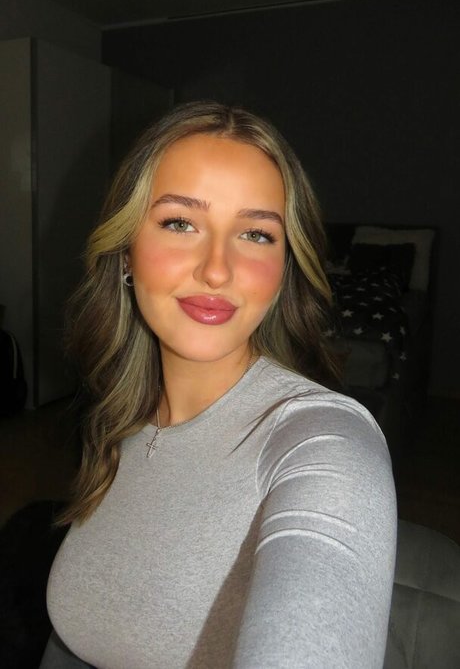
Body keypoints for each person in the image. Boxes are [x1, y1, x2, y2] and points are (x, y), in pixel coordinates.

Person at [41, 101, 396, 669]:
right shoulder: (121, 416)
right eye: (179, 223)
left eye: (256, 234)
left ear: (284, 268)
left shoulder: (325, 442)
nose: (216, 269)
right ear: (127, 251)